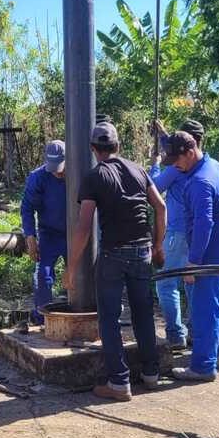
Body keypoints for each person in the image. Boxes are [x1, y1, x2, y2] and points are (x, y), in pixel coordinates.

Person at [63, 122, 167, 401]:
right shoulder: (138, 169)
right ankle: (152, 374)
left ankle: (119, 383)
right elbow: (161, 206)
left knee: (108, 318)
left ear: (93, 149)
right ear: (118, 146)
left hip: (113, 254)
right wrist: (157, 246)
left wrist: (71, 268)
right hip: (142, 251)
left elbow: (84, 227)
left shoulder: (94, 177)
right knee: (143, 313)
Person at [160, 131, 219, 382]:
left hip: (212, 255)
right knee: (216, 303)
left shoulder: (200, 181)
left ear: (191, 151)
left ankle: (203, 367)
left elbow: (203, 223)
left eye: (178, 159)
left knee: (203, 309)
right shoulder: (213, 165)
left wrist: (194, 262)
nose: (175, 164)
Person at [20, 140, 67, 325]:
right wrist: (30, 237)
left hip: (75, 234)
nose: (57, 172)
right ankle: (42, 320)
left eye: (61, 167)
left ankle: (82, 315)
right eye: (53, 168)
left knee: (81, 277)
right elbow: (27, 208)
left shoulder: (79, 174)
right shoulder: (37, 177)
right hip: (49, 234)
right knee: (43, 276)